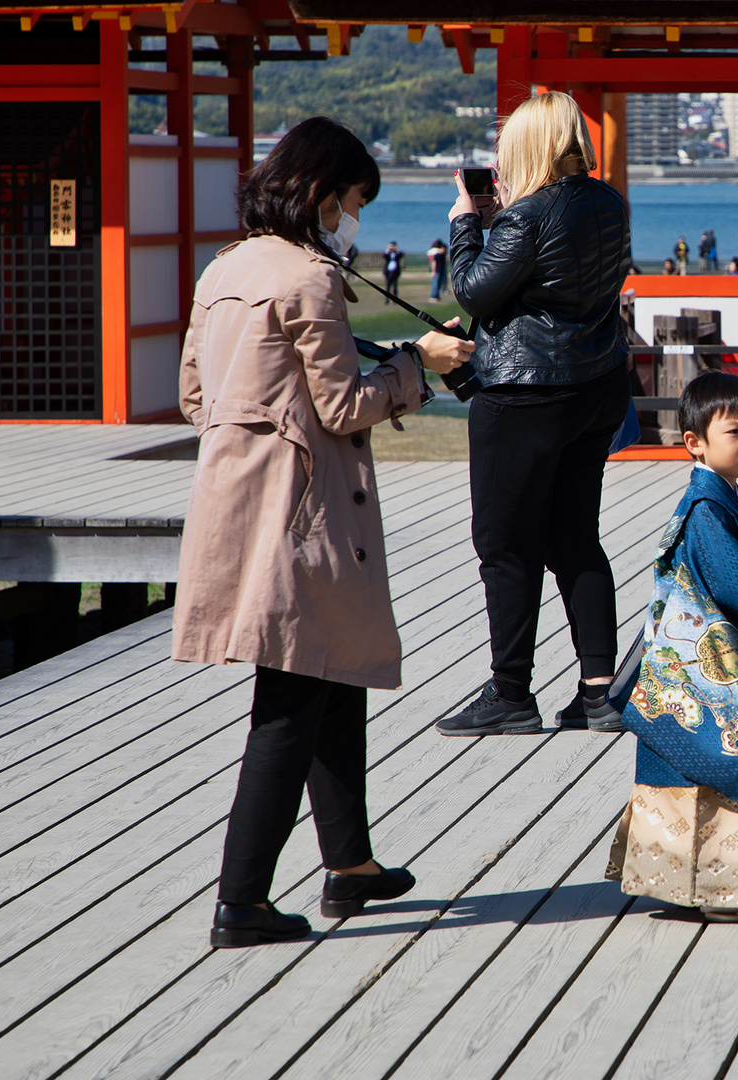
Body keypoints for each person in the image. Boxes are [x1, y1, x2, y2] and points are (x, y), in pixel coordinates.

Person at [172, 116, 474, 948]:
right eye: (354, 201)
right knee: (291, 695)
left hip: (235, 502)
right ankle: (241, 901)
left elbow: (196, 397)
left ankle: (349, 864)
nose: (355, 219)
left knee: (330, 667)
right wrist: (417, 365)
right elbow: (342, 405)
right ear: (324, 193)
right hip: (301, 510)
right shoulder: (308, 278)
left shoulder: (224, 268)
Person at [439, 91, 633, 737]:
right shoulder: (607, 201)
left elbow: (472, 292)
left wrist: (467, 224)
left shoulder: (523, 218)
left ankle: (510, 693)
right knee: (574, 537)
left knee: (505, 546)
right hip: (596, 383)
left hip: (525, 392)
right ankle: (598, 691)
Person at [606, 371, 738, 922]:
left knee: (690, 764)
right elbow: (733, 580)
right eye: (735, 432)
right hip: (711, 674)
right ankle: (730, 891)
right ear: (694, 442)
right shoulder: (707, 509)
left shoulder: (718, 499)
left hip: (697, 662)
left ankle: (682, 879)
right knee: (725, 763)